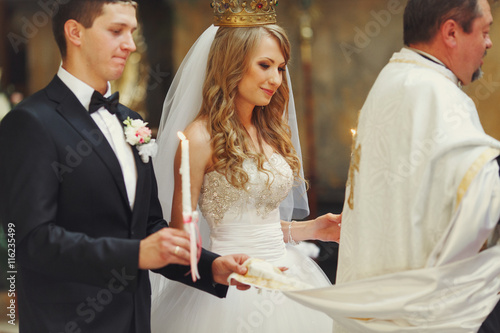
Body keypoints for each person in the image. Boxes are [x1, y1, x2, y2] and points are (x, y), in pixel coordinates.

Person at [0, 1, 250, 332]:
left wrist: (211, 267)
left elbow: (149, 227)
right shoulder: (30, 122)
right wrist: (134, 254)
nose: (130, 44)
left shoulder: (131, 121)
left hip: (134, 319)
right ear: (75, 32)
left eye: (131, 32)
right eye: (116, 31)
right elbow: (29, 242)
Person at [286, 0, 500, 332]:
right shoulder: (434, 93)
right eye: (485, 31)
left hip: (383, 300)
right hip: (421, 308)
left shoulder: (394, 78)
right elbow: (478, 190)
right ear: (451, 32)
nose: (489, 43)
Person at [150, 1, 342, 332]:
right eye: (265, 65)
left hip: (287, 275)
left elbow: (257, 224)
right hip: (229, 289)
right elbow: (182, 239)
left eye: (281, 68)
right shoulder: (198, 139)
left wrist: (311, 228)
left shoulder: (269, 128)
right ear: (233, 64)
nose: (276, 79)